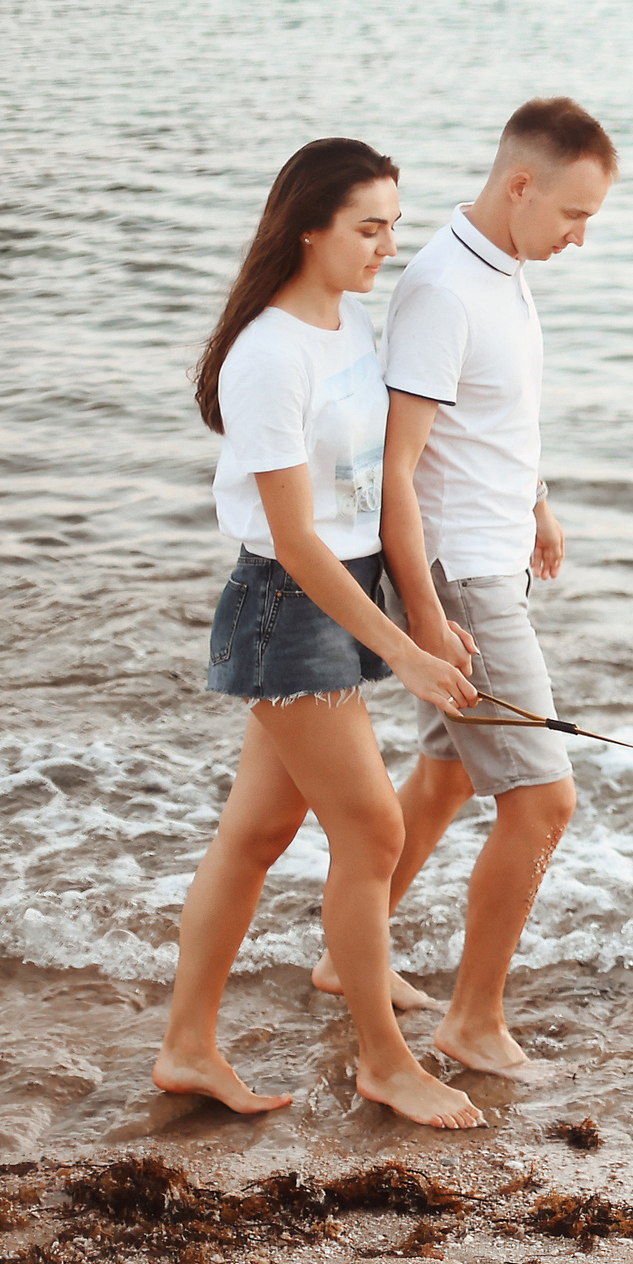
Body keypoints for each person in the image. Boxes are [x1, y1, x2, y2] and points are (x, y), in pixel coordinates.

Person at [154, 138, 487, 1129]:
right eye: (368, 227)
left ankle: (186, 1047)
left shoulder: (349, 321)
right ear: (308, 228)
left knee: (256, 834)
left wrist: (422, 614)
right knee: (374, 828)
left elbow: (376, 485)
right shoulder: (268, 354)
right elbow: (295, 542)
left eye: (394, 226)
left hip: (346, 593)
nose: (388, 246)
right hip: (290, 605)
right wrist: (404, 651)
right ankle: (385, 1062)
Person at [314, 98, 615, 1078]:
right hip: (461, 578)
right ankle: (473, 1021)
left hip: (494, 555)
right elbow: (397, 470)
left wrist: (538, 501)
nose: (580, 237)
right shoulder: (443, 288)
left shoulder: (504, 267)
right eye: (573, 214)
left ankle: (343, 958)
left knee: (447, 775)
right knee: (545, 802)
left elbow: (492, 419)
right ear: (520, 185)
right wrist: (425, 617)